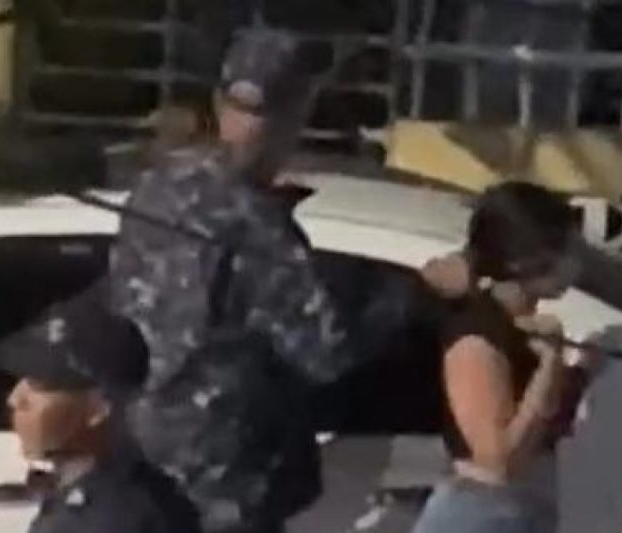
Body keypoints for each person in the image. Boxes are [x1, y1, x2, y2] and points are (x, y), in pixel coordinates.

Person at [110, 28, 415, 533]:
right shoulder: (259, 225)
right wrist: (407, 295)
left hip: (142, 466)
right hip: (223, 481)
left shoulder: (155, 189)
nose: (254, 129)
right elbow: (325, 353)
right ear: (300, 114)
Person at [413, 182, 596, 533]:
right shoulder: (476, 334)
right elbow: (498, 463)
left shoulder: (520, 327)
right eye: (567, 251)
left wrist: (577, 374)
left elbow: (539, 423)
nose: (575, 264)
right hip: (481, 515)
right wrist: (549, 364)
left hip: (520, 511)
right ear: (524, 262)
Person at [0, 301, 202, 533]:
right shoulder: (91, 494)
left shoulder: (113, 519)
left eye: (40, 386)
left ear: (98, 408)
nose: (16, 399)